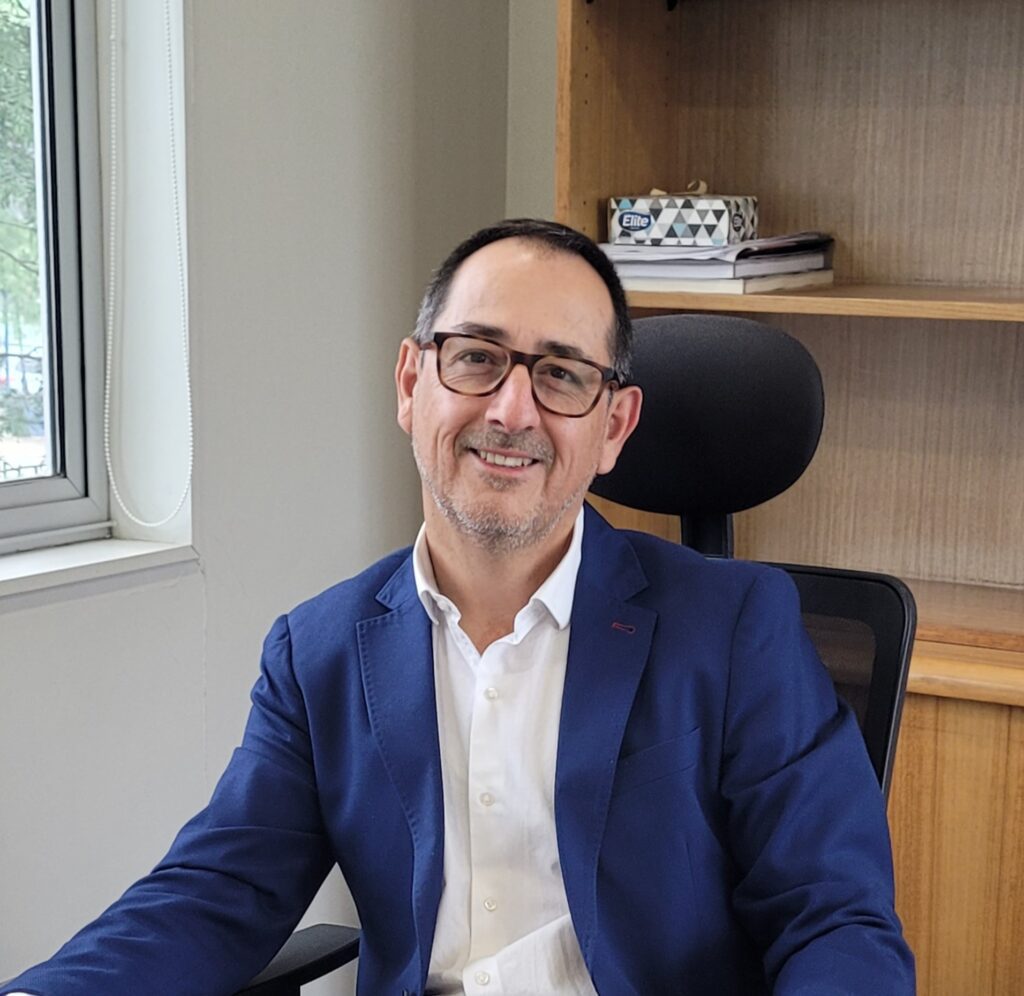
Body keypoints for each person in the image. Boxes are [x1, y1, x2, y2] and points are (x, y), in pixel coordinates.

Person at [3, 219, 914, 995]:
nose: (512, 409)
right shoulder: (319, 651)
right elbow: (214, 893)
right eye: (477, 357)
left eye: (561, 375)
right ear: (412, 385)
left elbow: (835, 919)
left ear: (615, 427)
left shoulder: (737, 625)